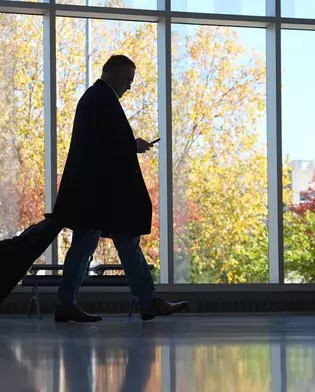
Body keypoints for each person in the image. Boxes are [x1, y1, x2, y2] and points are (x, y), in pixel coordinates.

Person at [52, 55, 188, 322]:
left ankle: (68, 303)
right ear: (114, 73)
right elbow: (107, 144)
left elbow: (98, 143)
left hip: (93, 193)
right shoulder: (103, 100)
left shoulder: (93, 99)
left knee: (88, 246)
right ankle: (146, 301)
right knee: (122, 243)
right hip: (101, 194)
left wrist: (130, 143)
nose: (129, 86)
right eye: (128, 79)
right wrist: (133, 144)